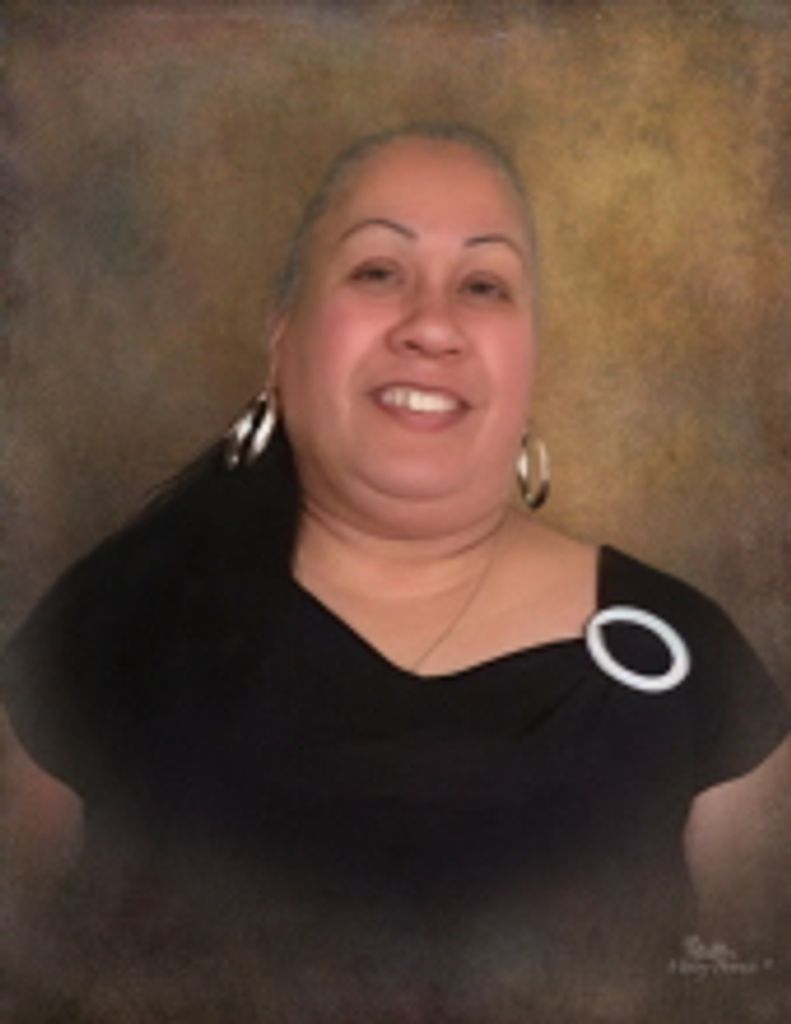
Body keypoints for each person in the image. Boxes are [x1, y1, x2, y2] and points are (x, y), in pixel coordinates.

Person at [1, 123, 789, 1022]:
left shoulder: (693, 669)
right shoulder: (107, 632)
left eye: (484, 285)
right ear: (282, 341)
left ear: (530, 360)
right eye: (378, 271)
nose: (433, 325)